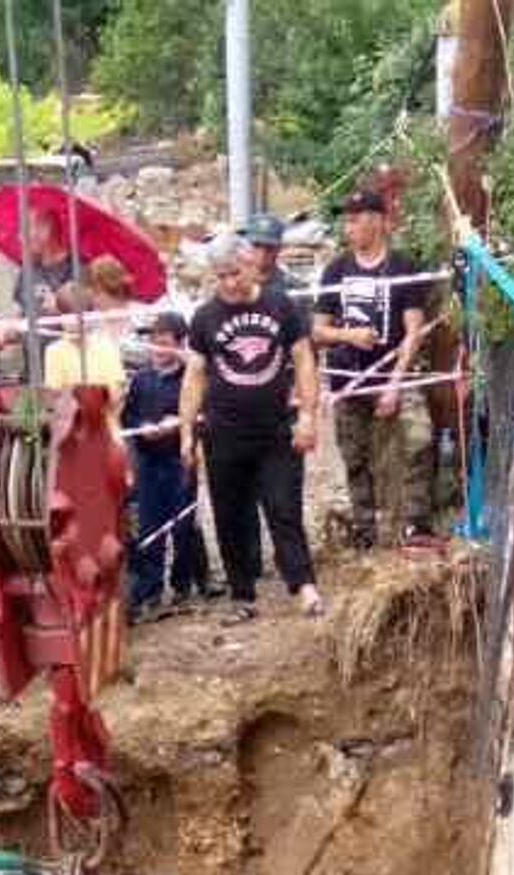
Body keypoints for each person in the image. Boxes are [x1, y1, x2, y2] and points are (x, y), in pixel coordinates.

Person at [180, 234, 324, 622]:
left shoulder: (280, 305)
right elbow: (194, 375)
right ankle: (242, 595)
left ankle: (304, 585)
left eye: (235, 272)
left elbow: (304, 360)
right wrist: (186, 434)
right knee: (229, 515)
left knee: (283, 507)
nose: (229, 282)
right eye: (221, 275)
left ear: (251, 265)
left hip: (275, 429)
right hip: (223, 431)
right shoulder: (205, 317)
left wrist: (309, 416)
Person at [312, 190, 434, 549]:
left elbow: (414, 330)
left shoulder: (403, 268)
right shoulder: (336, 269)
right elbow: (317, 331)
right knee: (354, 456)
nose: (349, 227)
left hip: (394, 373)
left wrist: (395, 384)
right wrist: (349, 334)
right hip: (349, 377)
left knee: (420, 438)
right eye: (346, 220)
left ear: (379, 221)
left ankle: (416, 524)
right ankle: (365, 530)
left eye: (356, 218)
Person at [121, 312, 208, 617]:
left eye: (165, 343)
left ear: (180, 344)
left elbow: (203, 417)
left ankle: (183, 584)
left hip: (179, 461)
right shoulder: (142, 379)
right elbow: (127, 418)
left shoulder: (190, 378)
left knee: (183, 526)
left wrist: (179, 424)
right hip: (149, 461)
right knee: (149, 527)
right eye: (154, 343)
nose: (158, 349)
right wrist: (141, 427)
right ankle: (152, 588)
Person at [44, 255, 132, 408]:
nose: (89, 294)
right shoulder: (92, 322)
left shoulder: (141, 317)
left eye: (93, 289)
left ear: (107, 288)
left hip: (130, 398)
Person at [242, 212, 292, 298]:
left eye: (269, 247)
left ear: (279, 249)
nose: (262, 253)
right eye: (256, 245)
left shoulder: (291, 286)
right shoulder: (233, 286)